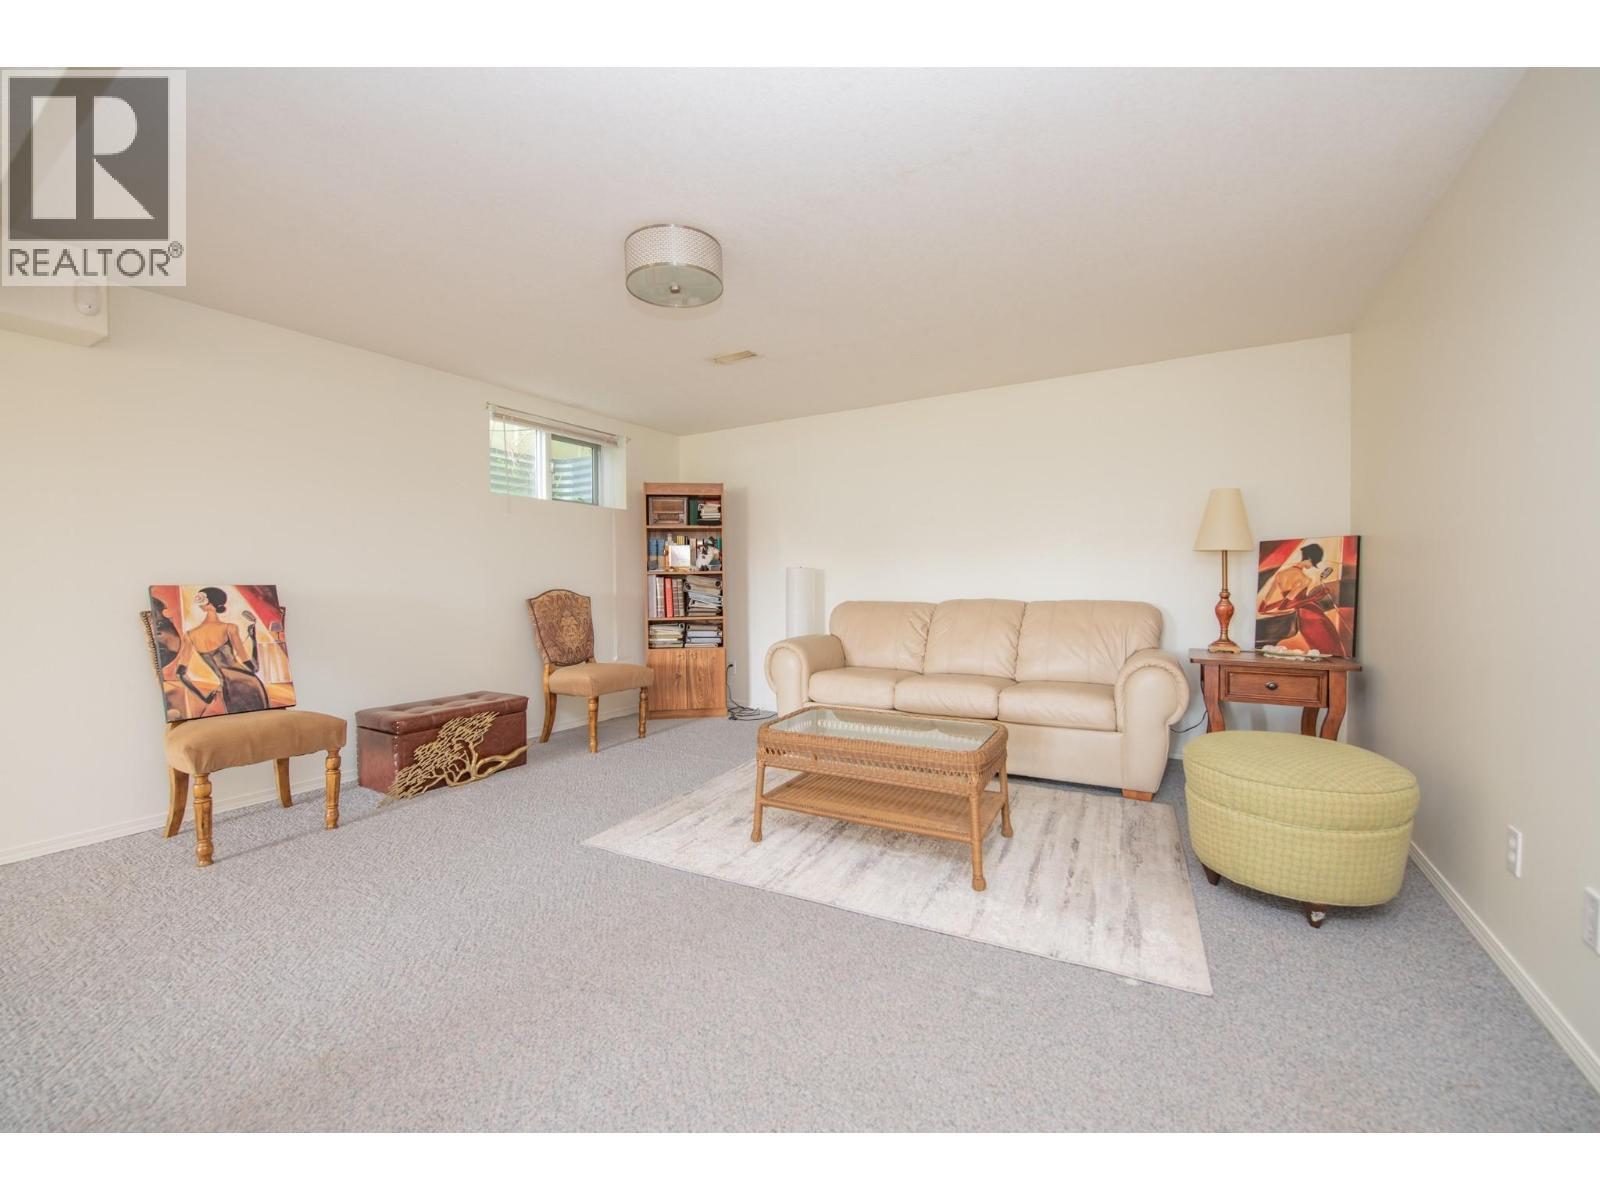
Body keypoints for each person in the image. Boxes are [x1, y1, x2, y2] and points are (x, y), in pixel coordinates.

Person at [170, 586, 270, 714]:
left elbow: (180, 674)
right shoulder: (230, 628)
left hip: (228, 689)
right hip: (251, 684)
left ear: (206, 603)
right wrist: (253, 639)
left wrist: (205, 698)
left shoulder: (190, 635)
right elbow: (253, 668)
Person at [1257, 544, 1345, 655]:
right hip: (1312, 614)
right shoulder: (1304, 579)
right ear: (1309, 558)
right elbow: (1286, 606)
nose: (1312, 566)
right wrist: (1314, 597)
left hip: (1303, 616)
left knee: (1319, 647)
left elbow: (1263, 608)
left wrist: (1278, 605)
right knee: (1329, 646)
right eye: (1313, 563)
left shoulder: (1280, 575)